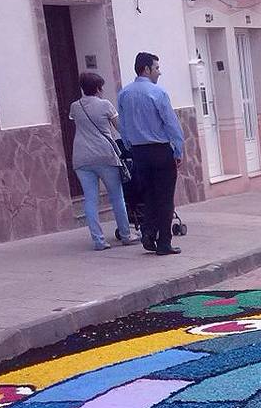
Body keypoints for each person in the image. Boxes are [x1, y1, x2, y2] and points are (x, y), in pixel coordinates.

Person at [117, 51, 185, 255]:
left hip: (139, 152)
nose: (159, 72)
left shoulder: (124, 94)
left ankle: (148, 231)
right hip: (160, 150)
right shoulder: (158, 93)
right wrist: (178, 148)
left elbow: (124, 125)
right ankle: (164, 242)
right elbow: (171, 123)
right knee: (165, 197)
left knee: (148, 195)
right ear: (146, 69)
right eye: (156, 68)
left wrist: (130, 146)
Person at [69, 71, 137, 251]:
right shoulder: (105, 105)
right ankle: (126, 234)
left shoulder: (75, 107)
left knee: (90, 200)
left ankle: (98, 240)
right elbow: (119, 127)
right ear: (98, 88)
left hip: (81, 157)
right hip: (105, 155)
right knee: (116, 197)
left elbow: (76, 121)